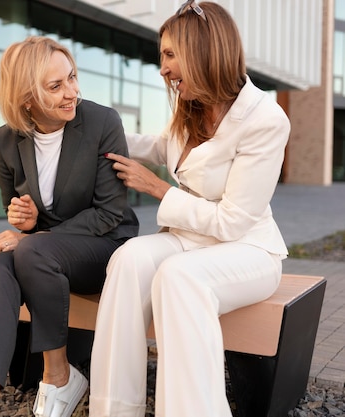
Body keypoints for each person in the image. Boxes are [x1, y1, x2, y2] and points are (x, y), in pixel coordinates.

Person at [88, 2, 291, 417]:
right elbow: (162, 147)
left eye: (169, 54)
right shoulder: (191, 105)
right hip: (190, 240)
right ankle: (114, 410)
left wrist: (160, 189)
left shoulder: (266, 119)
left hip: (248, 250)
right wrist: (100, 135)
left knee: (178, 278)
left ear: (203, 50)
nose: (162, 68)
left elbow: (233, 221)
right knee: (128, 259)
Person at [0, 36, 140, 417]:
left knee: (30, 250)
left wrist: (36, 236)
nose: (72, 92)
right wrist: (26, 222)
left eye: (73, 78)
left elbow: (110, 212)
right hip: (45, 256)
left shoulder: (102, 122)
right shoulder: (6, 141)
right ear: (27, 98)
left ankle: (59, 375)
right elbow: (19, 217)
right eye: (56, 86)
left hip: (105, 247)